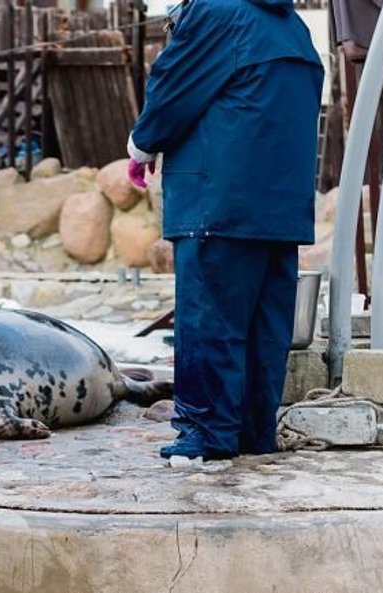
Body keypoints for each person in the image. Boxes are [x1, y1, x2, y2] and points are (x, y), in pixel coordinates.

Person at [126, 0, 324, 459]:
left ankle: (206, 435)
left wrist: (141, 146)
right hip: (278, 210)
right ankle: (253, 436)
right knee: (263, 330)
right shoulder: (291, 25)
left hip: (217, 200)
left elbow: (176, 85)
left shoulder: (216, 10)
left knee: (210, 323)